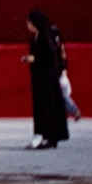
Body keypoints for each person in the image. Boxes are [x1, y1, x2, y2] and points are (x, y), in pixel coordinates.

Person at [23, 10, 69, 148]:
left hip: (48, 79)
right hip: (40, 79)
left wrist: (35, 59)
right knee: (42, 108)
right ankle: (44, 135)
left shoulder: (45, 37)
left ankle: (51, 136)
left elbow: (50, 56)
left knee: (49, 107)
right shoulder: (35, 38)